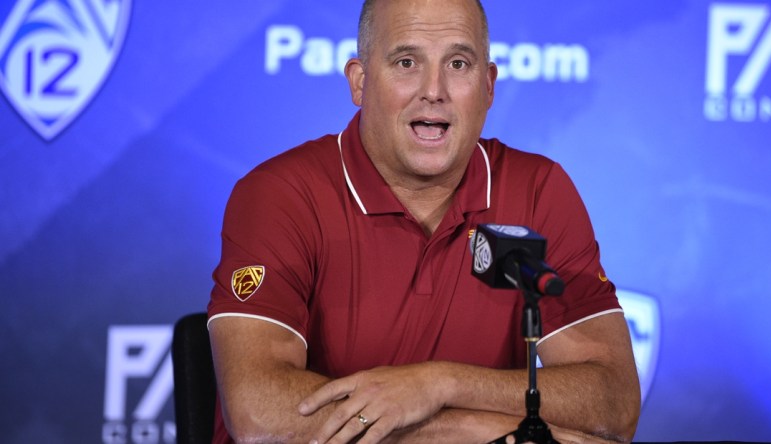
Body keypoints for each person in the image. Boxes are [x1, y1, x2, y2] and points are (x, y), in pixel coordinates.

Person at [207, 0, 641, 442]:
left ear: (488, 86)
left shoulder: (538, 190)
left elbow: (613, 402)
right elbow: (260, 412)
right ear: (359, 82)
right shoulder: (281, 194)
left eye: (457, 63)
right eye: (406, 62)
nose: (434, 89)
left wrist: (440, 384)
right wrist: (476, 427)